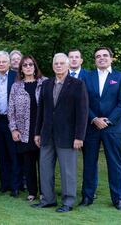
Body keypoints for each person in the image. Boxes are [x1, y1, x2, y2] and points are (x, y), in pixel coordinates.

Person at [32, 53, 88, 213]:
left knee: (67, 171)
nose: (58, 65)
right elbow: (41, 111)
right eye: (55, 63)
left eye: (61, 63)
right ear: (52, 65)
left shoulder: (78, 84)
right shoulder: (46, 84)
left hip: (68, 136)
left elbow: (82, 113)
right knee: (45, 168)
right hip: (47, 135)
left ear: (68, 64)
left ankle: (68, 202)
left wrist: (79, 136)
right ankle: (48, 199)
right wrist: (37, 133)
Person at [80, 47, 121, 210]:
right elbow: (83, 101)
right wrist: (94, 119)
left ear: (111, 58)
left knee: (115, 164)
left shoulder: (120, 77)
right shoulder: (88, 77)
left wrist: (107, 121)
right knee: (89, 163)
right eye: (98, 56)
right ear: (94, 60)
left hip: (113, 127)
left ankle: (118, 198)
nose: (101, 58)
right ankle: (87, 196)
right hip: (92, 127)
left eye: (105, 56)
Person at [8, 56, 47, 202]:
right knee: (28, 163)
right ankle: (32, 191)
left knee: (43, 163)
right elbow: (10, 109)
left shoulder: (45, 83)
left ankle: (45, 191)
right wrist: (13, 129)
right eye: (25, 65)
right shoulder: (16, 86)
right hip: (24, 131)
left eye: (31, 64)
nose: (28, 67)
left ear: (35, 67)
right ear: (21, 69)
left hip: (42, 129)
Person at [0, 51, 20, 197]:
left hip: (12, 120)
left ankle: (15, 186)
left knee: (13, 154)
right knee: (1, 154)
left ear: (9, 63)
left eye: (3, 62)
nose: (1, 64)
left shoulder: (16, 77)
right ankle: (4, 184)